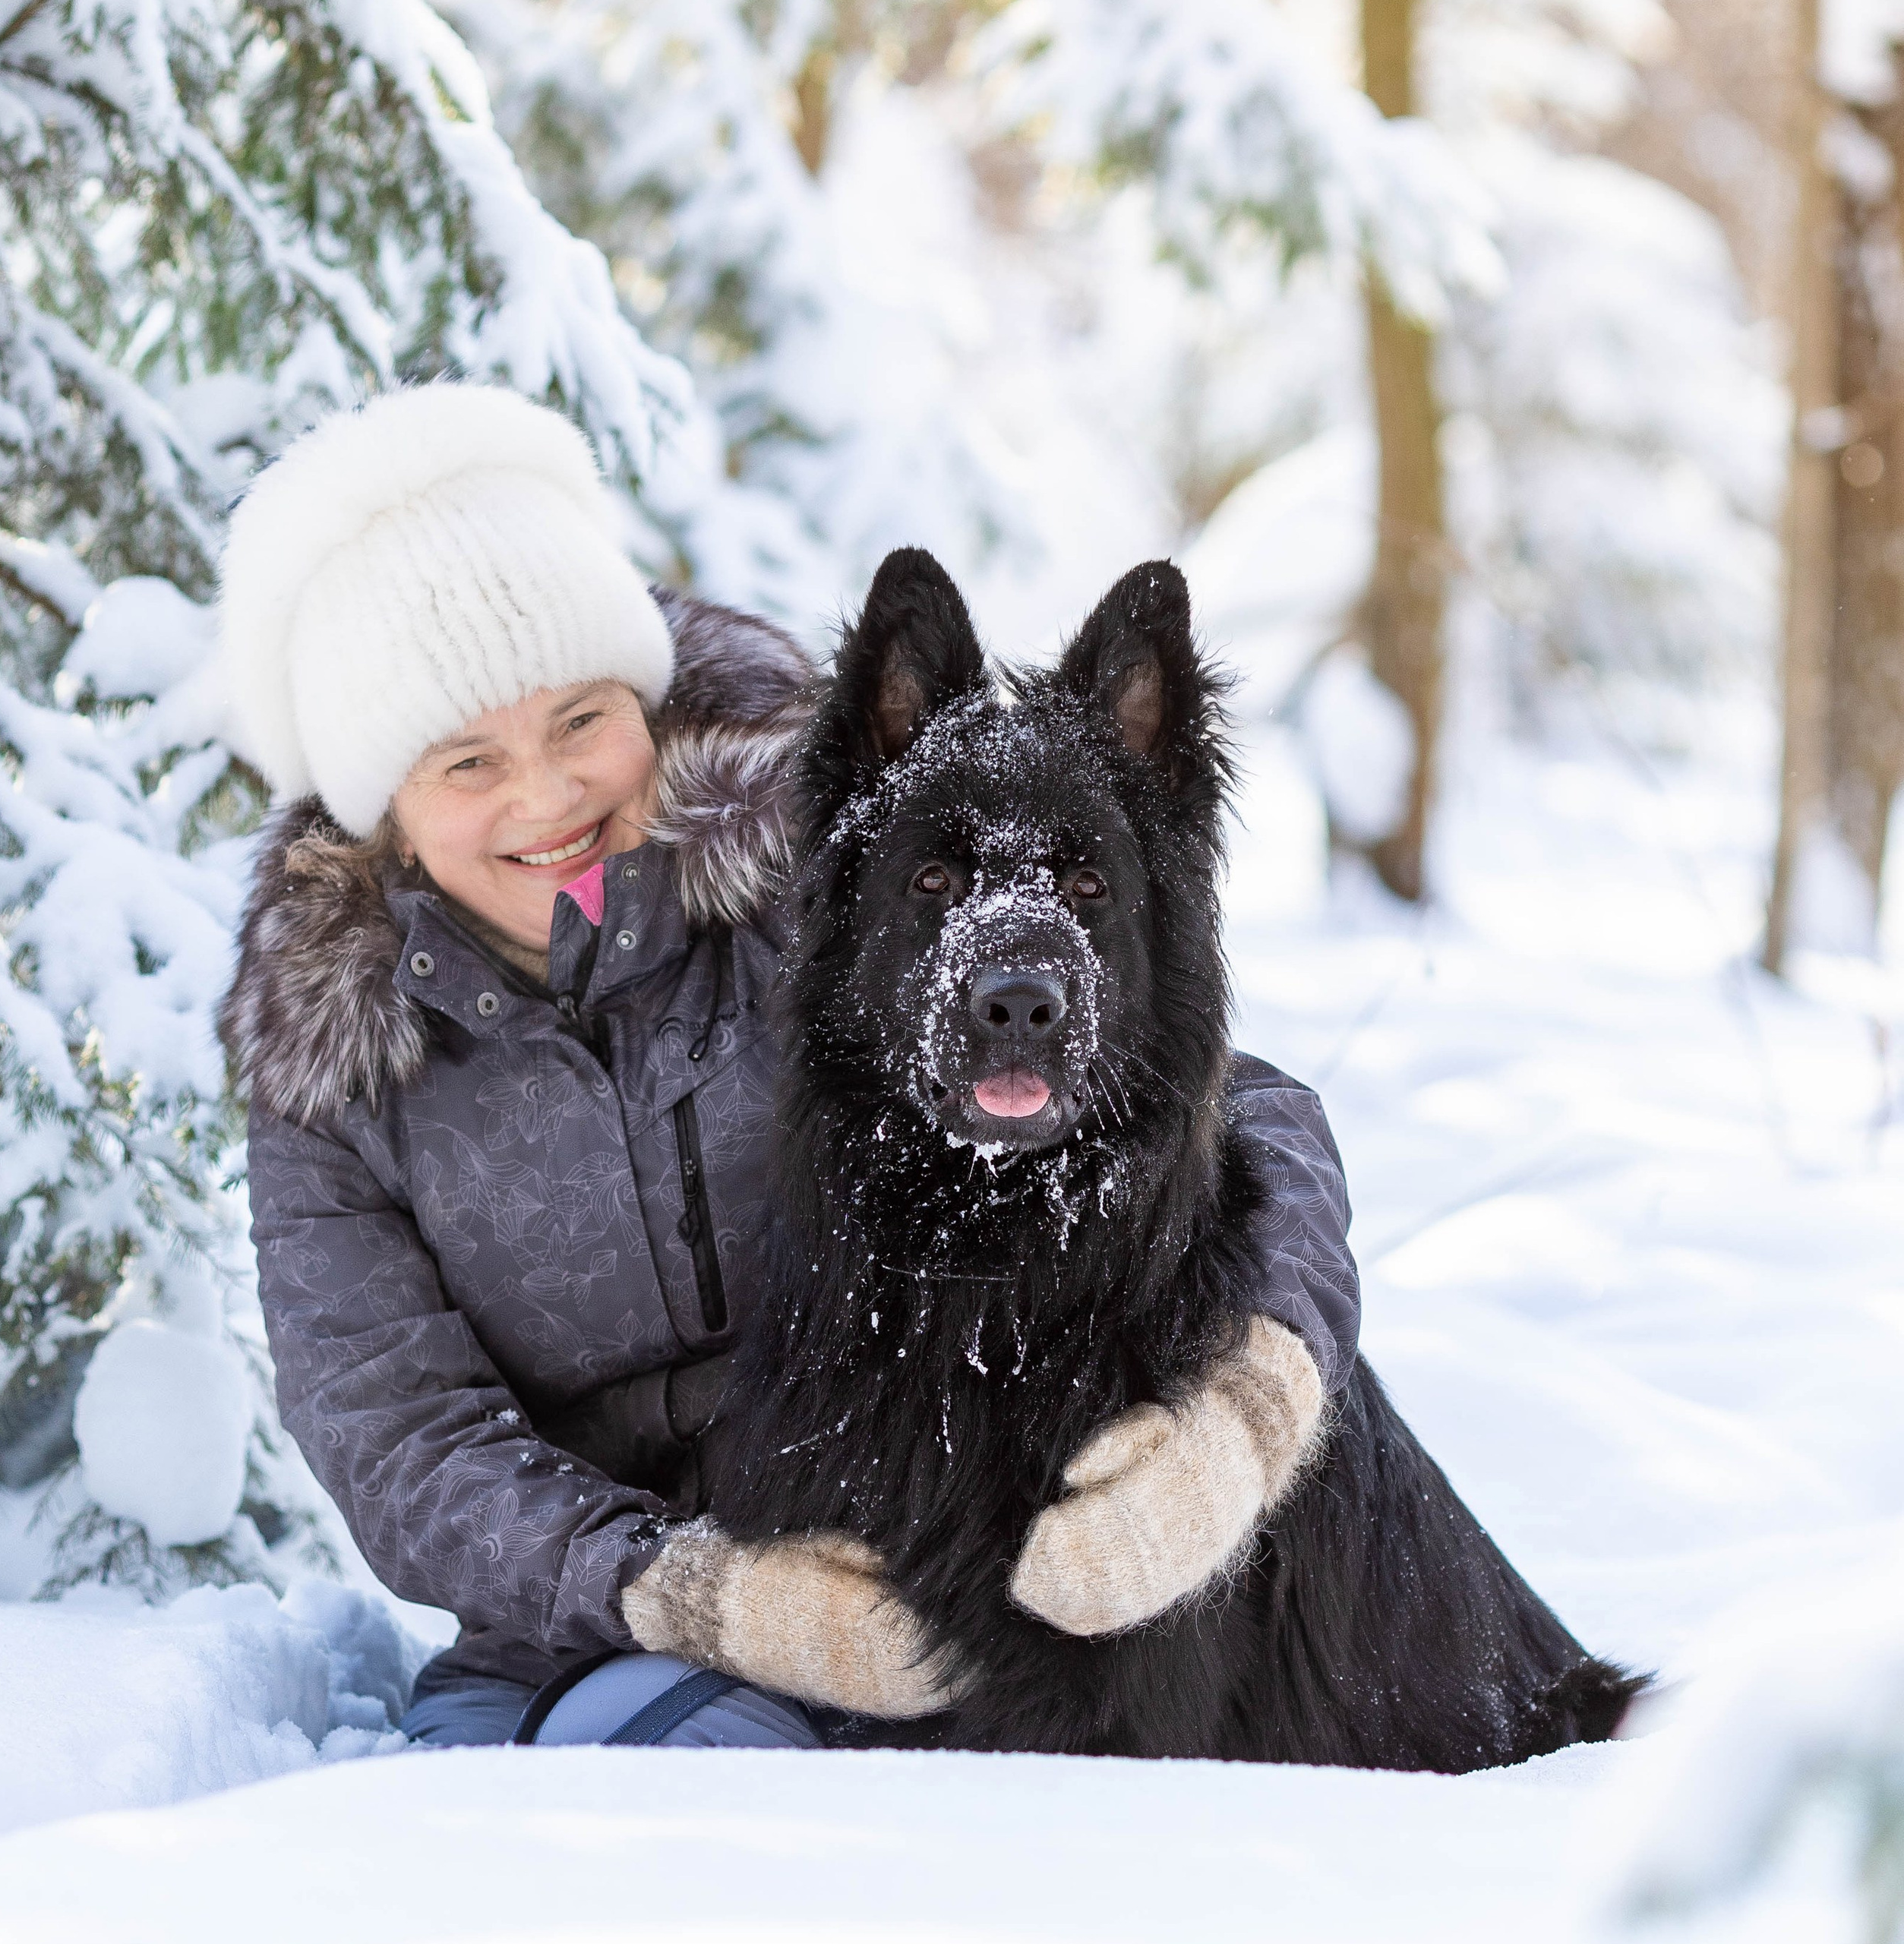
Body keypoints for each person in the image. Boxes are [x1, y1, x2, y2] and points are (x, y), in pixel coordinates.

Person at [218, 382, 1363, 1750]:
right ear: (387, 818)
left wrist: (1251, 1405)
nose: (548, 797)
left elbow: (1239, 1116)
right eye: (467, 759)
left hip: (936, 1564)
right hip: (586, 1633)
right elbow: (401, 1437)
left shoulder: (830, 877)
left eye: (582, 719)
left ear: (645, 698)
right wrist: (692, 1593)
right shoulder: (333, 1073)